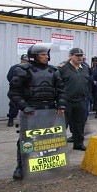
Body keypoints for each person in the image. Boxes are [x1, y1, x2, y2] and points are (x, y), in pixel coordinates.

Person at [8, 43, 67, 180]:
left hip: (50, 111)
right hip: (31, 112)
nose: (46, 57)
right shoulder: (22, 70)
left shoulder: (54, 71)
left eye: (47, 54)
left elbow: (61, 91)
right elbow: (13, 93)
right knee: (26, 140)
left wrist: (61, 105)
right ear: (34, 56)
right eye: (42, 54)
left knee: (49, 139)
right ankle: (21, 166)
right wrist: (25, 107)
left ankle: (50, 163)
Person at [58, 48, 89, 151]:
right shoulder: (62, 68)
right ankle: (59, 146)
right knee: (62, 125)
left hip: (81, 100)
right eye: (77, 55)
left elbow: (87, 82)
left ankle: (78, 143)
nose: (80, 57)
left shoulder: (84, 67)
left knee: (79, 124)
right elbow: (56, 84)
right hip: (66, 101)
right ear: (71, 56)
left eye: (81, 55)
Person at [6, 54, 28, 127]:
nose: (25, 61)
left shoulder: (30, 68)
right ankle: (11, 119)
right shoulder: (14, 67)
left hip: (26, 90)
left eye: (27, 60)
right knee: (13, 105)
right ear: (21, 60)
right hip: (16, 90)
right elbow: (9, 77)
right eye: (24, 60)